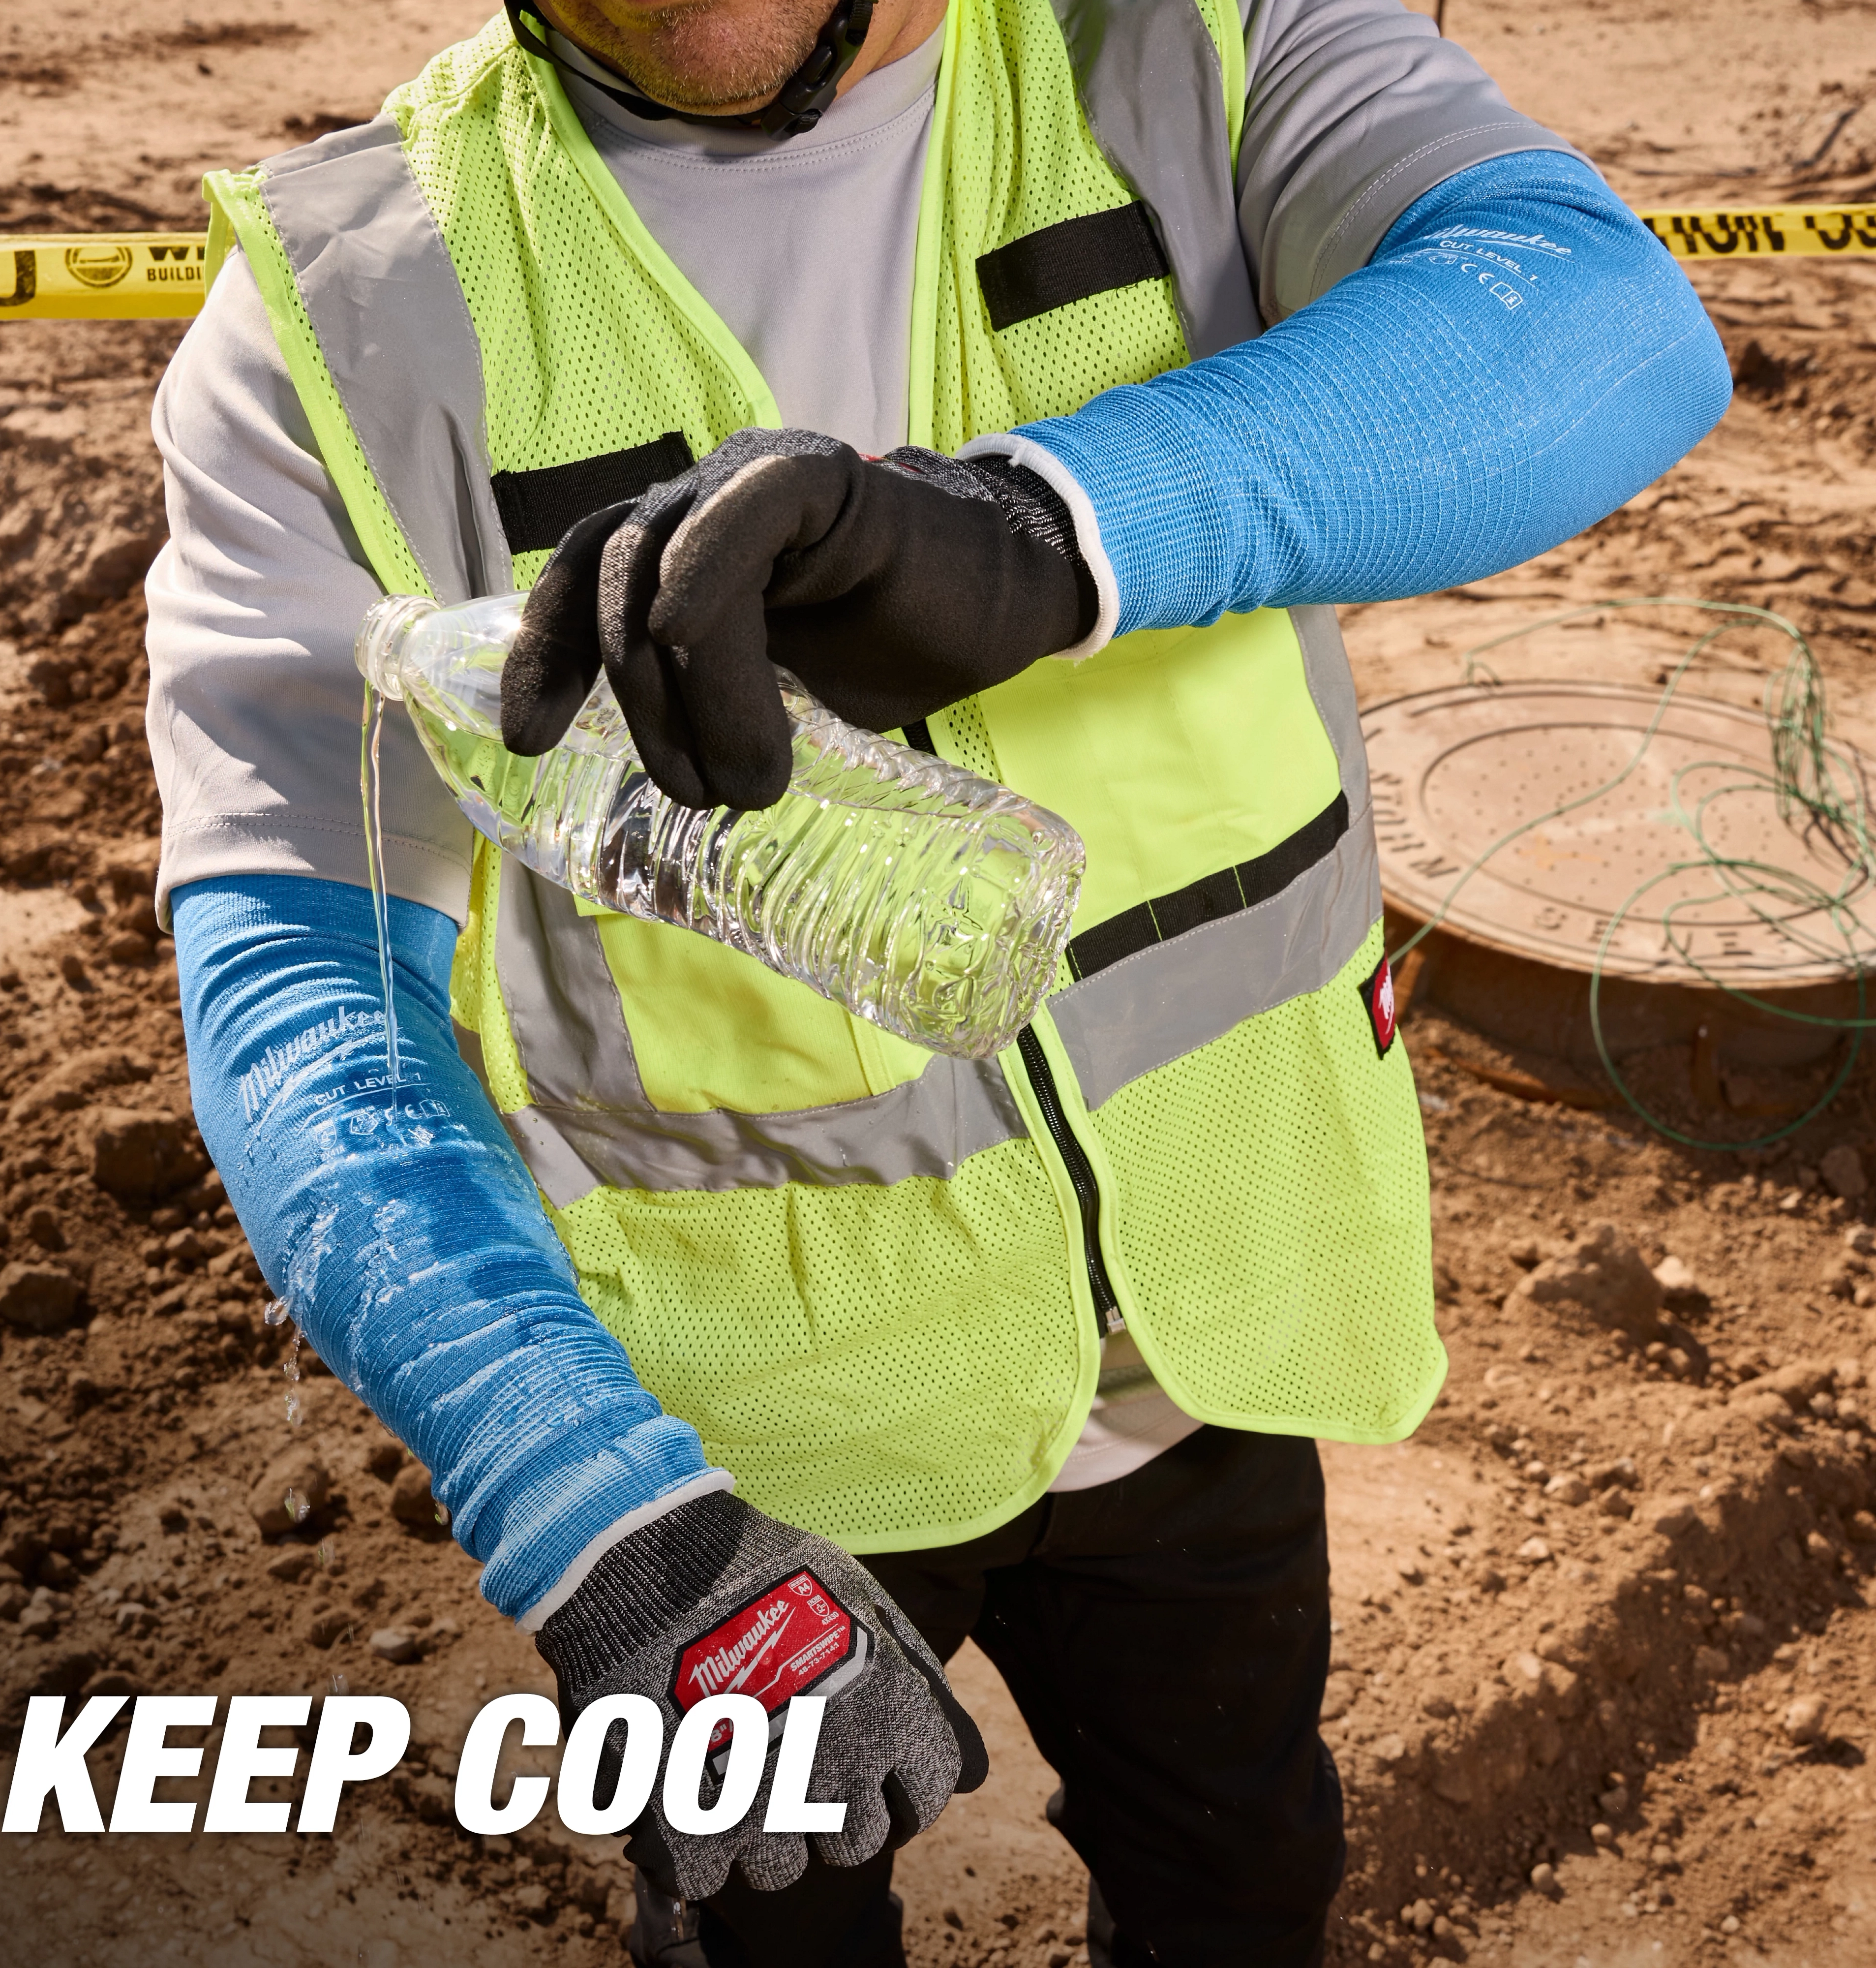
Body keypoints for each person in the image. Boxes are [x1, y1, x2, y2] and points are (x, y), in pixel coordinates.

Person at [146, 0, 1729, 1961]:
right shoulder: (347, 308)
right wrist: (596, 1509)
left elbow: (1592, 324)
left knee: (1238, 1878)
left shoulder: (1195, 52)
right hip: (747, 1474)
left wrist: (1052, 532)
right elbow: (308, 999)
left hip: (1210, 1330)